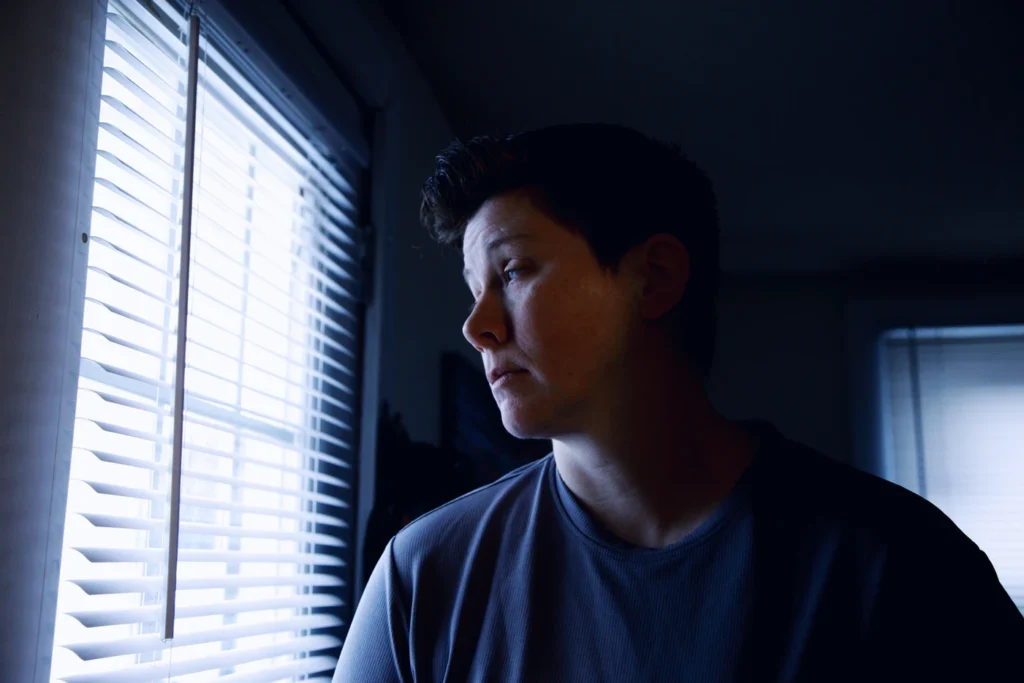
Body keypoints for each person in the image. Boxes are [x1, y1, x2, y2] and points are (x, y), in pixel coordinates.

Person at [333, 124, 1023, 682]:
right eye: (473, 288)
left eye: (512, 271)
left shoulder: (903, 566)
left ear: (655, 278)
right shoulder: (422, 578)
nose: (476, 325)